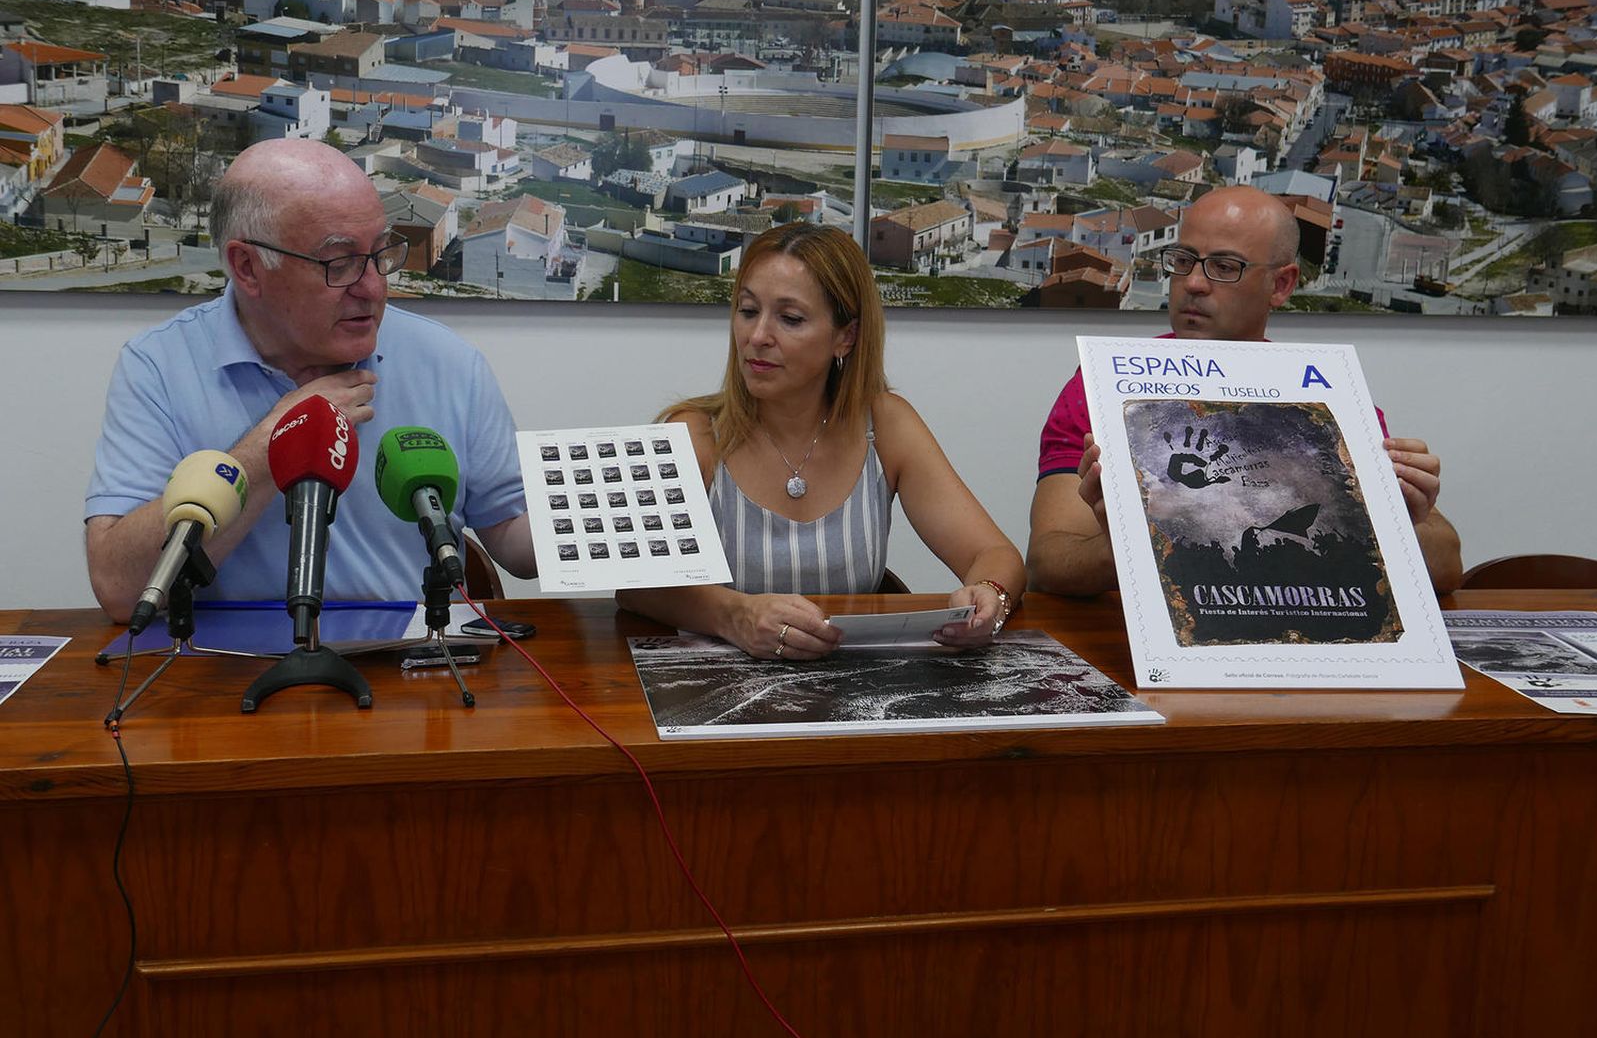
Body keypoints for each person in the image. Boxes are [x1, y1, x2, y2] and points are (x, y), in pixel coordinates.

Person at [85, 139, 536, 621]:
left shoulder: (447, 362)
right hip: (225, 673)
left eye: (381, 252)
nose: (373, 287)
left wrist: (614, 528)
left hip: (411, 669)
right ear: (248, 267)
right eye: (338, 263)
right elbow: (120, 588)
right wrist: (272, 445)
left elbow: (512, 532)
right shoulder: (158, 366)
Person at [1027, 185, 1462, 597]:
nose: (1193, 283)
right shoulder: (1103, 387)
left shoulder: (1321, 396)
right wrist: (1135, 542)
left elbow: (1446, 564)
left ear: (1282, 285)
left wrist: (1402, 521)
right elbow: (1047, 565)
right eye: (1183, 260)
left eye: (1224, 267)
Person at [616, 223, 1025, 659]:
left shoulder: (885, 424)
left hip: (853, 695)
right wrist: (735, 616)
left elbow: (995, 553)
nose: (757, 337)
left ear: (845, 336)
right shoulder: (694, 434)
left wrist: (989, 597)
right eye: (748, 310)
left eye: (789, 319)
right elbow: (635, 585)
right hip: (717, 696)